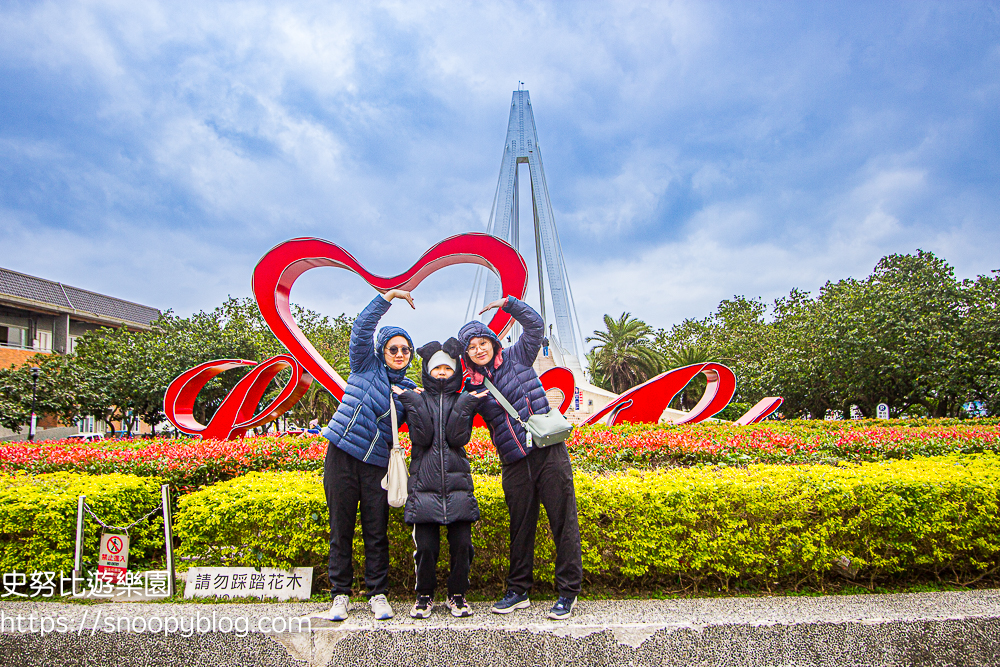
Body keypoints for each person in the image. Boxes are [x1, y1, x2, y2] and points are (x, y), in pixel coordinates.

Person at [457, 296, 584, 620]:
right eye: (472, 347)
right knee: (520, 527)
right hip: (514, 461)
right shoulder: (472, 388)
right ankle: (518, 590)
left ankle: (567, 592)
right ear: (467, 355)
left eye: (483, 342)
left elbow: (535, 326)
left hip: (548, 452)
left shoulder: (518, 356)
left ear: (493, 342)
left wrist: (509, 304)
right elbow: (457, 421)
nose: (479, 349)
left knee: (563, 522)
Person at [321, 289, 417, 621]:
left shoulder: (408, 391)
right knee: (341, 528)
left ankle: (378, 593)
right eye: (394, 348)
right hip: (342, 455)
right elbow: (362, 326)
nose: (400, 353)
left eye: (406, 350)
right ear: (382, 350)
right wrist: (388, 296)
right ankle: (340, 595)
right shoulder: (365, 364)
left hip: (377, 464)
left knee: (376, 531)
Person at [393, 337, 487, 618]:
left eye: (447, 368)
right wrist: (412, 402)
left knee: (462, 546)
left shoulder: (463, 399)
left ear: (456, 370)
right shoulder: (418, 397)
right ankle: (424, 595)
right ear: (428, 371)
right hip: (424, 487)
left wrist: (466, 405)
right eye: (437, 369)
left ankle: (457, 595)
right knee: (426, 548)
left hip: (457, 486)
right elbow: (421, 437)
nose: (442, 373)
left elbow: (458, 437)